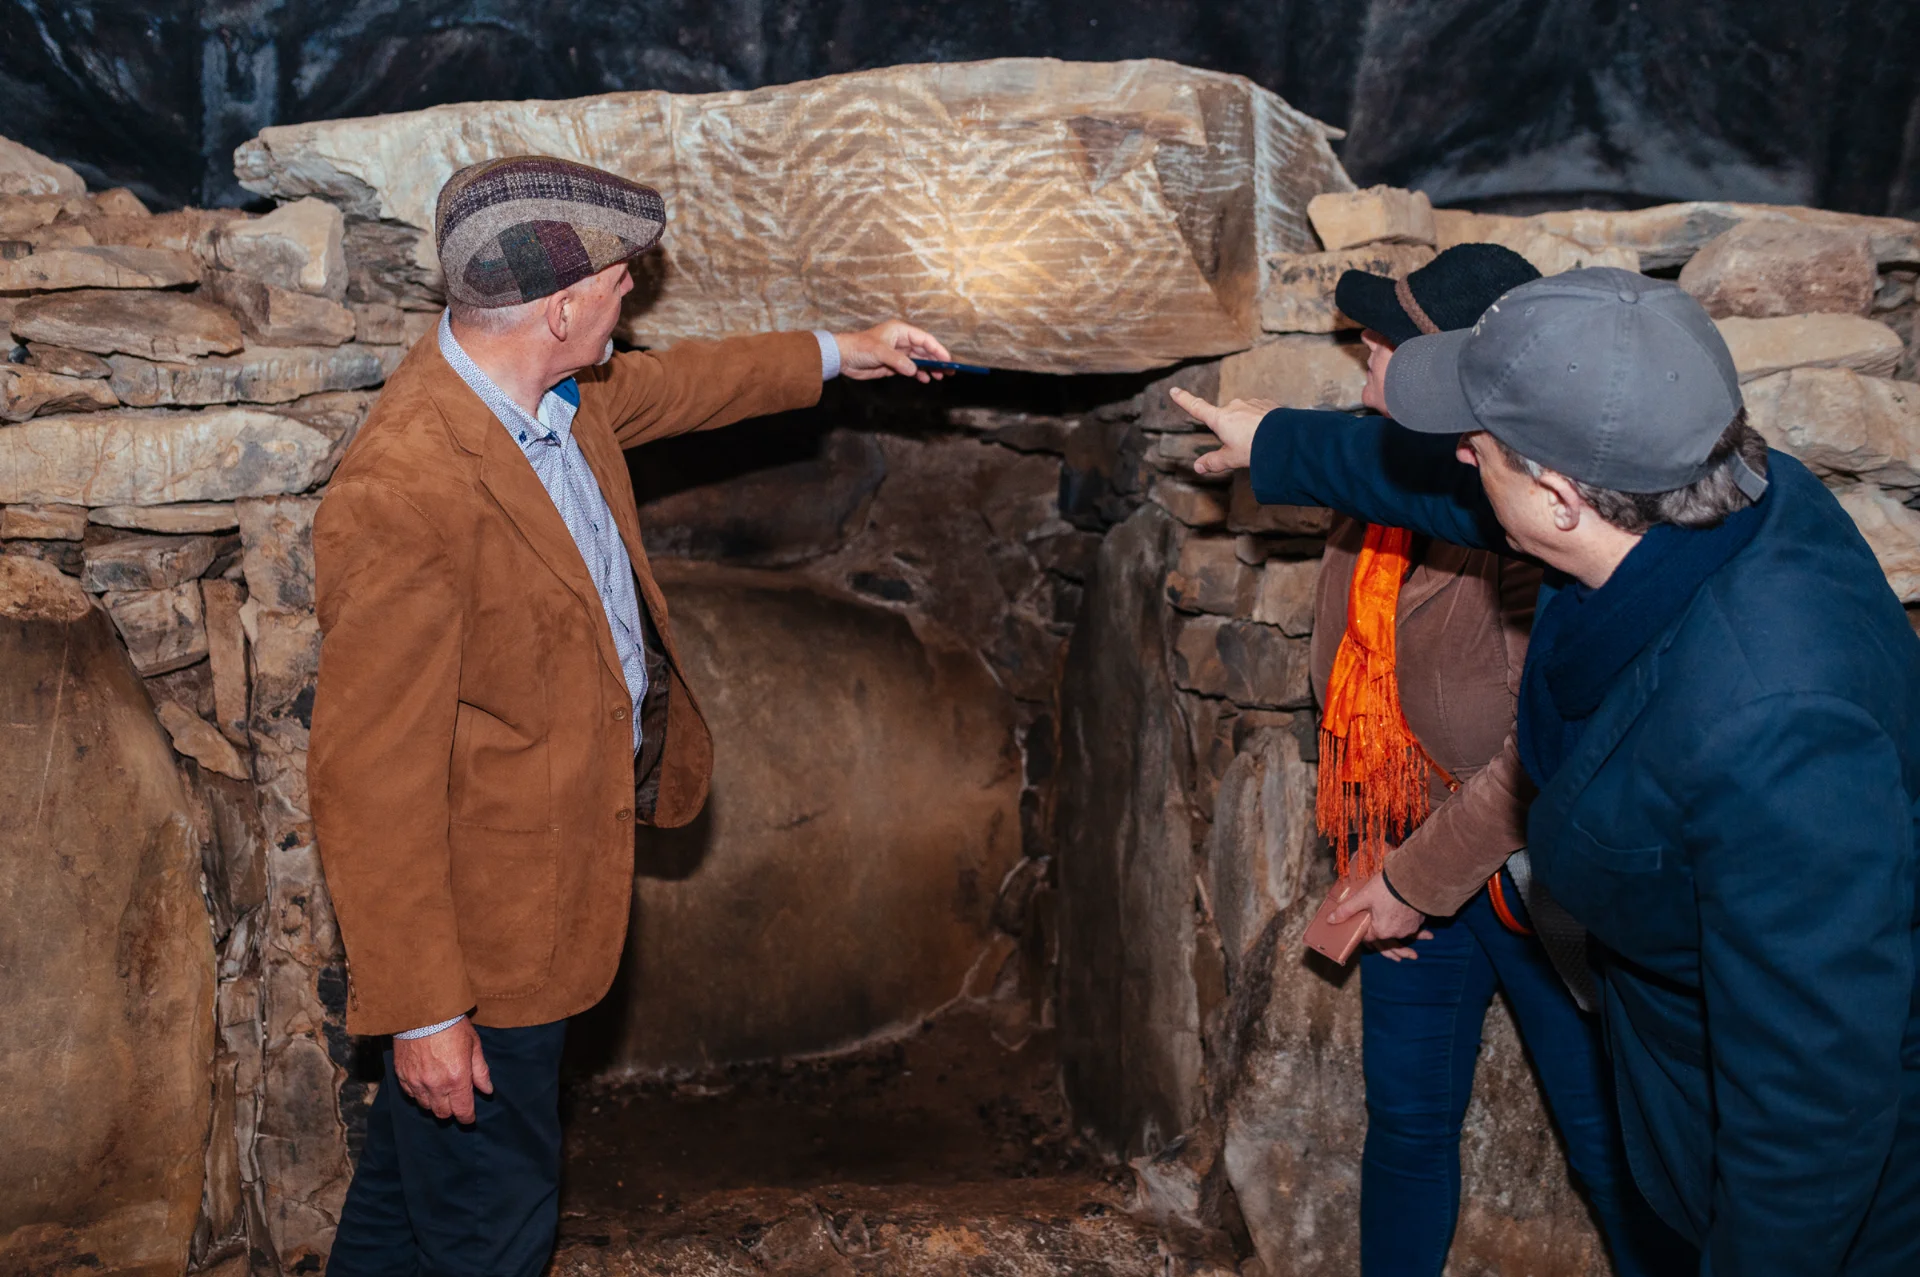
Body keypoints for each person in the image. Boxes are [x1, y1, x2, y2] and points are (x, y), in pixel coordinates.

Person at [1175, 266, 1920, 1274]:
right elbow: (1423, 479)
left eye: (1479, 450)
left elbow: (1812, 1103)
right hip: (1678, 1113)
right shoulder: (1685, 496)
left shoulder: (1777, 723)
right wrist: (1278, 444)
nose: (1461, 461)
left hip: (1798, 1211)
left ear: (1562, 499)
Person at [309, 155, 954, 1276]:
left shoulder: (554, 393)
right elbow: (370, 776)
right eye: (623, 281)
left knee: (405, 1216)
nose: (632, 298)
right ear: (561, 308)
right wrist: (424, 1013)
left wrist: (844, 350)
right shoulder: (405, 488)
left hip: (554, 897)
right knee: (494, 1230)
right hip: (490, 936)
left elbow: (689, 384)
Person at [1234, 244, 1679, 1276]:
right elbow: (1352, 688)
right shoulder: (1381, 481)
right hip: (1404, 861)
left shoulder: (1529, 522)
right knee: (1407, 1129)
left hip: (1533, 883)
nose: (1363, 372)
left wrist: (1411, 878)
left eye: (1380, 348)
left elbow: (1543, 746)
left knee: (1610, 1147)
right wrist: (1370, 853)